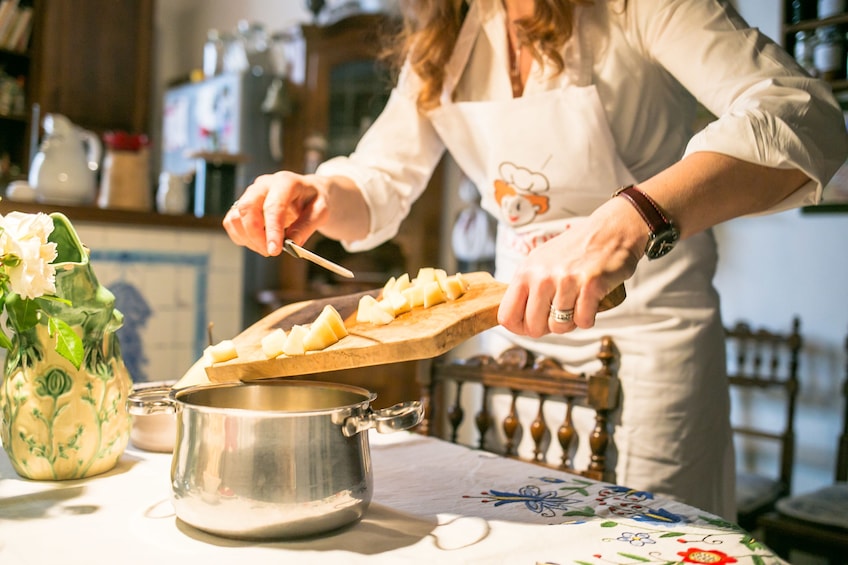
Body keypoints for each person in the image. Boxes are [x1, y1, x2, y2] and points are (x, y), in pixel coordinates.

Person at [223, 0, 848, 520]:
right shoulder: (446, 39)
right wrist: (320, 194)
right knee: (526, 527)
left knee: (643, 536)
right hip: (519, 337)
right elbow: (380, 180)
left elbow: (803, 116)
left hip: (650, 347)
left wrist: (633, 215)